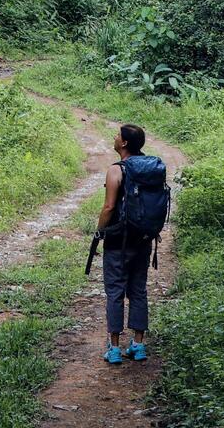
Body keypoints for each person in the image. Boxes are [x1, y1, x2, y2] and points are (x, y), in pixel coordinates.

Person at [95, 122, 166, 365]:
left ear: (124, 143)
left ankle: (114, 348)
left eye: (117, 135)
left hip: (119, 240)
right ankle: (138, 344)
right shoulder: (150, 168)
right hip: (144, 238)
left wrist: (99, 232)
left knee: (115, 291)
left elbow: (109, 207)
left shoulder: (117, 170)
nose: (114, 138)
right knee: (138, 290)